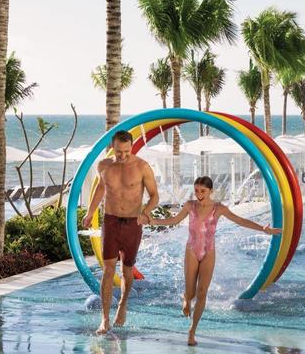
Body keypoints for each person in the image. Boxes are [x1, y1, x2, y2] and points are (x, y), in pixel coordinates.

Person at [146, 176, 283, 347]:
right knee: (191, 293)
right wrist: (152, 221)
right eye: (196, 190)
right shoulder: (190, 206)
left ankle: (192, 331)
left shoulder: (218, 208)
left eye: (203, 191)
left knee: (202, 292)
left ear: (211, 191)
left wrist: (263, 229)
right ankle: (186, 299)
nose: (199, 194)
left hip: (208, 252)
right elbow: (174, 220)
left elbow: (240, 221)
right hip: (191, 251)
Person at [81, 130, 159, 335]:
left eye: (126, 151)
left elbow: (154, 196)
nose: (123, 155)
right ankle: (105, 319)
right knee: (108, 270)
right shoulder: (104, 166)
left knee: (126, 270)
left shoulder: (142, 167)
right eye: (118, 151)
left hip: (133, 223)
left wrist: (145, 212)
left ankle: (123, 304)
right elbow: (100, 189)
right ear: (111, 148)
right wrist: (90, 212)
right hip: (111, 221)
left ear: (131, 147)